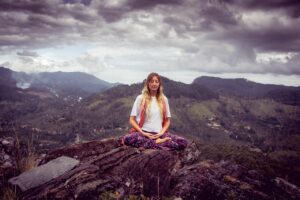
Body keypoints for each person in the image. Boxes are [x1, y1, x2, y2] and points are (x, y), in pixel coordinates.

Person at [122, 72, 188, 150]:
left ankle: (153, 143)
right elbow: (132, 120)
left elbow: (167, 121)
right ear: (148, 84)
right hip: (144, 133)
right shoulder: (140, 98)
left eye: (156, 81)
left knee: (183, 142)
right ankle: (158, 143)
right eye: (151, 81)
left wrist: (161, 133)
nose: (154, 84)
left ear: (159, 84)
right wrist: (142, 132)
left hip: (159, 134)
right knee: (127, 139)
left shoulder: (164, 99)